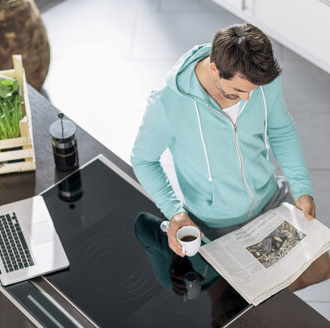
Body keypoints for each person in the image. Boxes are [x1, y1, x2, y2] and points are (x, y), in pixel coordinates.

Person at [131, 23, 330, 291]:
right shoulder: (168, 103)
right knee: (248, 301)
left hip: (271, 201)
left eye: (253, 90)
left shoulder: (260, 80)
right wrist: (174, 211)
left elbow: (281, 129)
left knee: (320, 268)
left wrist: (303, 188)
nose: (248, 99)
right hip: (217, 225)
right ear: (214, 68)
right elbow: (144, 160)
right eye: (237, 92)